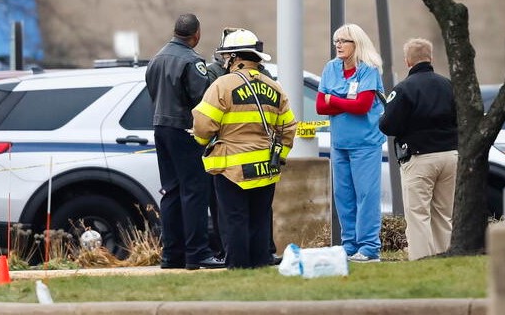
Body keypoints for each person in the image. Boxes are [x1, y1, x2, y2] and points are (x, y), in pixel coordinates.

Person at [192, 28, 297, 269]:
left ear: (235, 57)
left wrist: (203, 141)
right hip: (265, 169)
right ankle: (260, 264)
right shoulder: (275, 87)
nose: (225, 62)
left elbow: (203, 125)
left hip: (232, 169)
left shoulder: (222, 86)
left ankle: (238, 268)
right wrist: (277, 157)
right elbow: (289, 128)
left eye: (226, 57)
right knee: (260, 219)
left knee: (234, 219)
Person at [145, 13, 225, 270]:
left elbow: (152, 91)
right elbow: (202, 99)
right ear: (196, 34)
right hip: (184, 130)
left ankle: (172, 255)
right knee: (195, 191)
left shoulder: (156, 58)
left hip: (160, 127)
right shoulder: (192, 61)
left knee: (171, 191)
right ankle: (197, 253)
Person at [378, 37, 458, 261]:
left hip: (420, 157)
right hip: (450, 155)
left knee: (418, 214)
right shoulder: (448, 85)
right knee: (444, 214)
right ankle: (446, 258)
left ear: (407, 61)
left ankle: (422, 260)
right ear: (430, 58)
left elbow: (387, 125)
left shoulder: (404, 89)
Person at [316, 23, 386, 263]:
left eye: (344, 41)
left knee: (366, 195)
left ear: (357, 44)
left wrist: (333, 99)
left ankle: (369, 247)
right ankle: (349, 245)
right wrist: (344, 99)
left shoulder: (369, 70)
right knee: (343, 196)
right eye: (336, 40)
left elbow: (362, 106)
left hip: (365, 143)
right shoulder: (330, 68)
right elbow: (319, 106)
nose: (338, 45)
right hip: (340, 143)